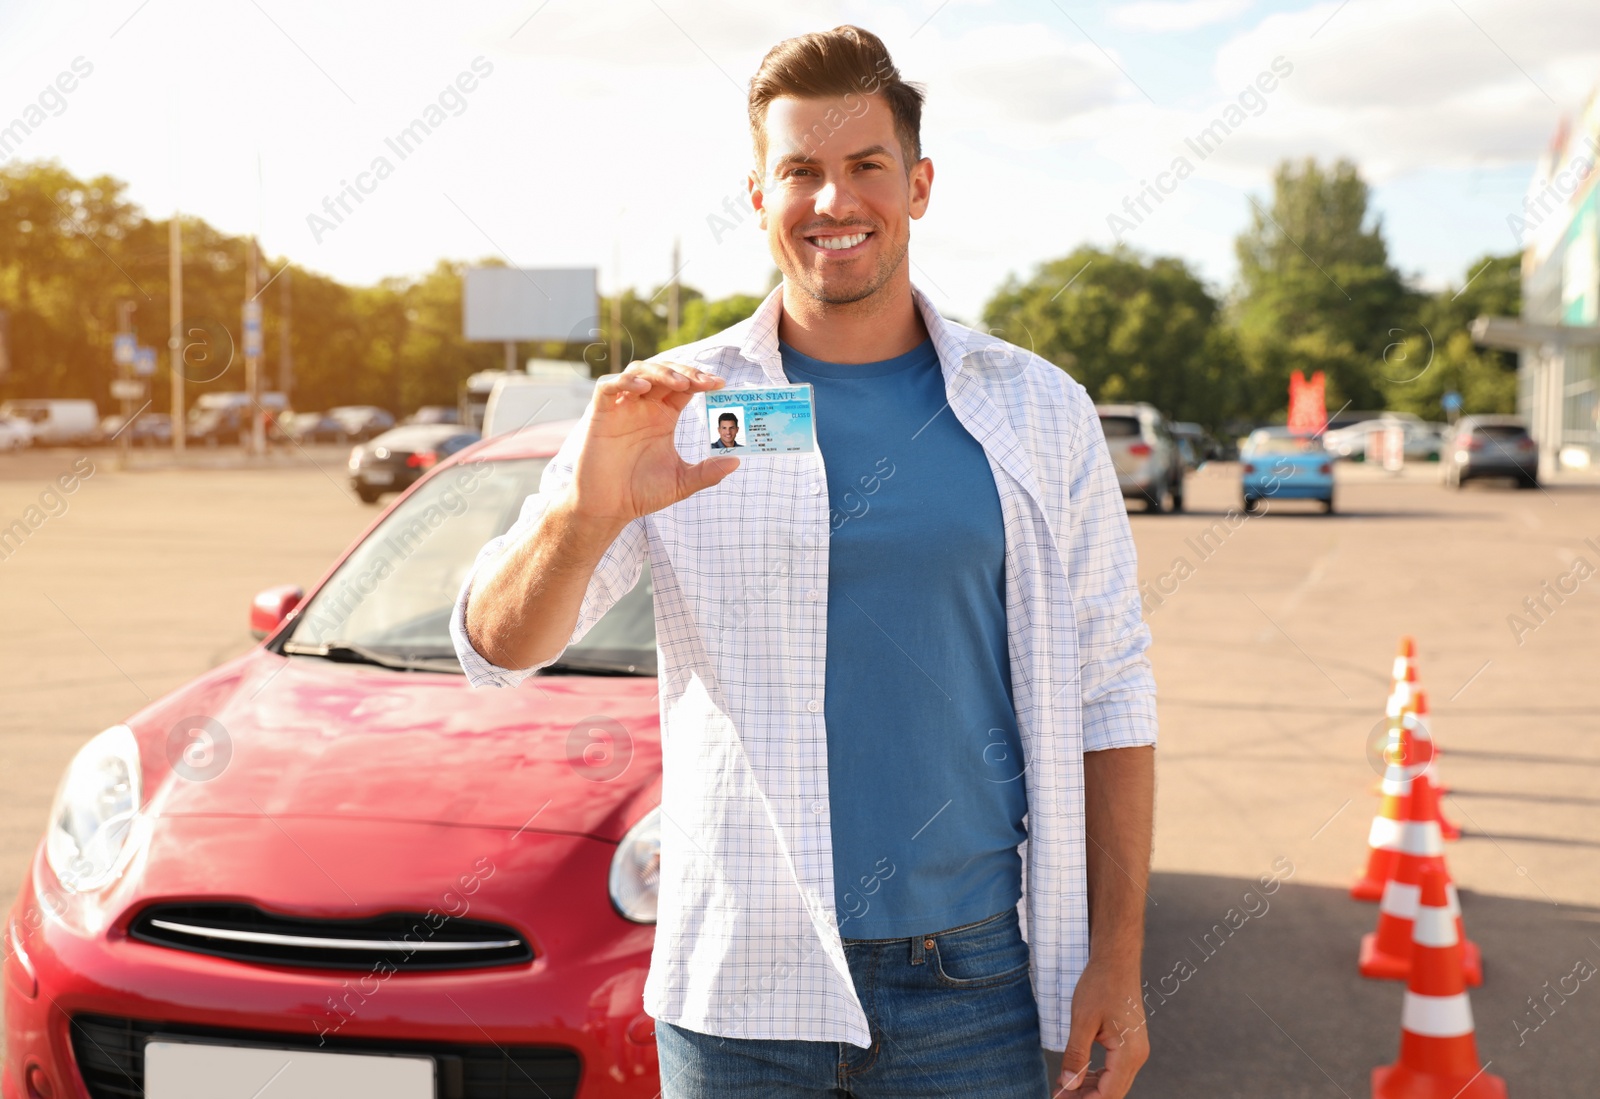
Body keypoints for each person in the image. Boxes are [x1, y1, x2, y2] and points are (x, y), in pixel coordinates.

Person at [451, 24, 1156, 1099]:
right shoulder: (677, 409)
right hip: (739, 989)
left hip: (970, 981)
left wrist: (1117, 960)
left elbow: (1111, 694)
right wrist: (584, 518)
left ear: (917, 186)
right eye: (802, 172)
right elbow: (495, 650)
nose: (835, 201)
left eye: (866, 167)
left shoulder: (1036, 410)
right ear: (758, 196)